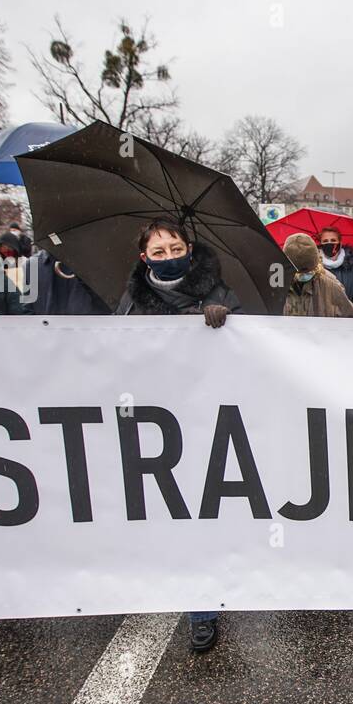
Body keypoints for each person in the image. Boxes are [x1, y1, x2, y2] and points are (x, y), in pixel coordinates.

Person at [116, 218, 240, 651]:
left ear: (189, 247)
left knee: (200, 516)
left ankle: (203, 609)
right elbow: (113, 353)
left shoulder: (220, 293)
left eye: (175, 248)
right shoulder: (131, 300)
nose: (169, 257)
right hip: (156, 423)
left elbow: (253, 355)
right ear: (144, 257)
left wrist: (226, 325)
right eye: (159, 251)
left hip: (209, 421)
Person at [282, 234, 353, 318]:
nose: (303, 275)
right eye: (298, 273)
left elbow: (350, 319)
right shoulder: (276, 284)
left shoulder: (331, 285)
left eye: (308, 271)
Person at [318, 226, 353, 316]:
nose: (329, 243)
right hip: (321, 320)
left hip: (347, 321)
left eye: (333, 240)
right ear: (320, 244)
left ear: (340, 243)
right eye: (325, 241)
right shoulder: (315, 268)